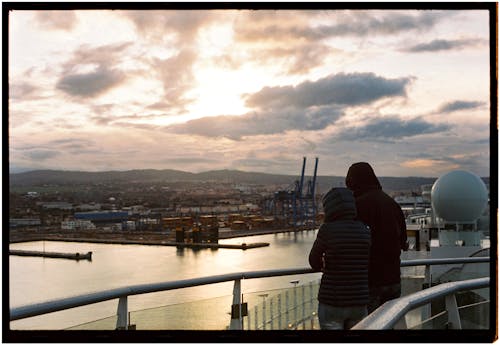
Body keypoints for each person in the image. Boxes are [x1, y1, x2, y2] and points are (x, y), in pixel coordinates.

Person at [345, 162, 409, 313]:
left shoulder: (357, 205)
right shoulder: (392, 204)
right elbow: (403, 241)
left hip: (368, 281)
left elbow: (349, 243)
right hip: (393, 279)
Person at [309, 187, 371, 330]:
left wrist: (323, 265)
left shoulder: (327, 229)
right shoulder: (364, 230)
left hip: (332, 300)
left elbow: (313, 260)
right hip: (359, 300)